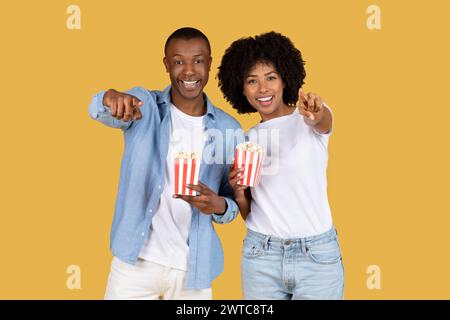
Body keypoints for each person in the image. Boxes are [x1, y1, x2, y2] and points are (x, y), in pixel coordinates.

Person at [88, 27, 242, 300]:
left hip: (193, 272)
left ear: (209, 63)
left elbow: (232, 204)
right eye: (179, 61)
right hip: (135, 265)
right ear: (167, 65)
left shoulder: (230, 129)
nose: (189, 71)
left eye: (198, 60)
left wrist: (217, 205)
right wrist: (109, 96)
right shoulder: (144, 106)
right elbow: (99, 108)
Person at [217, 31, 344, 300]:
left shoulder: (307, 118)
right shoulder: (246, 139)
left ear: (285, 78)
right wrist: (238, 191)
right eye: (252, 81)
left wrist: (315, 112)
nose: (263, 89)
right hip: (261, 255)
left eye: (271, 77)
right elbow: (249, 211)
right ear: (240, 88)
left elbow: (323, 120)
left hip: (317, 256)